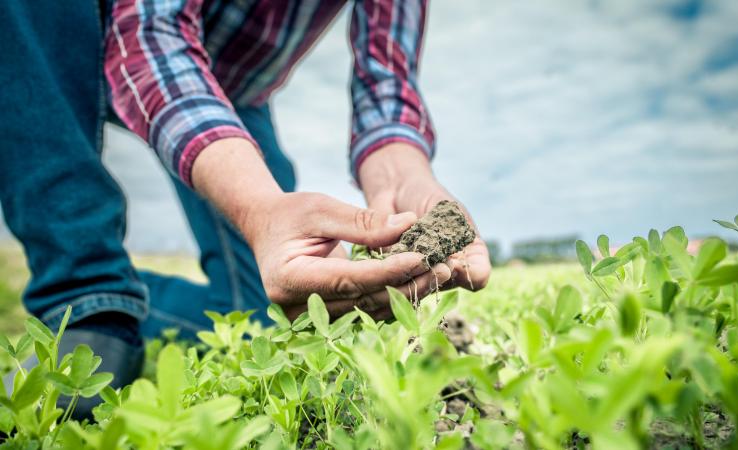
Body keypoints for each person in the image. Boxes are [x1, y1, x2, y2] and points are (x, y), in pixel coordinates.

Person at [1, 0, 490, 418]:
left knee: (274, 316)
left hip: (232, 92)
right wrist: (259, 207)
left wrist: (406, 180)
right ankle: (86, 296)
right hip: (94, 35)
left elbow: (387, 83)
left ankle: (122, 297)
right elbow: (150, 37)